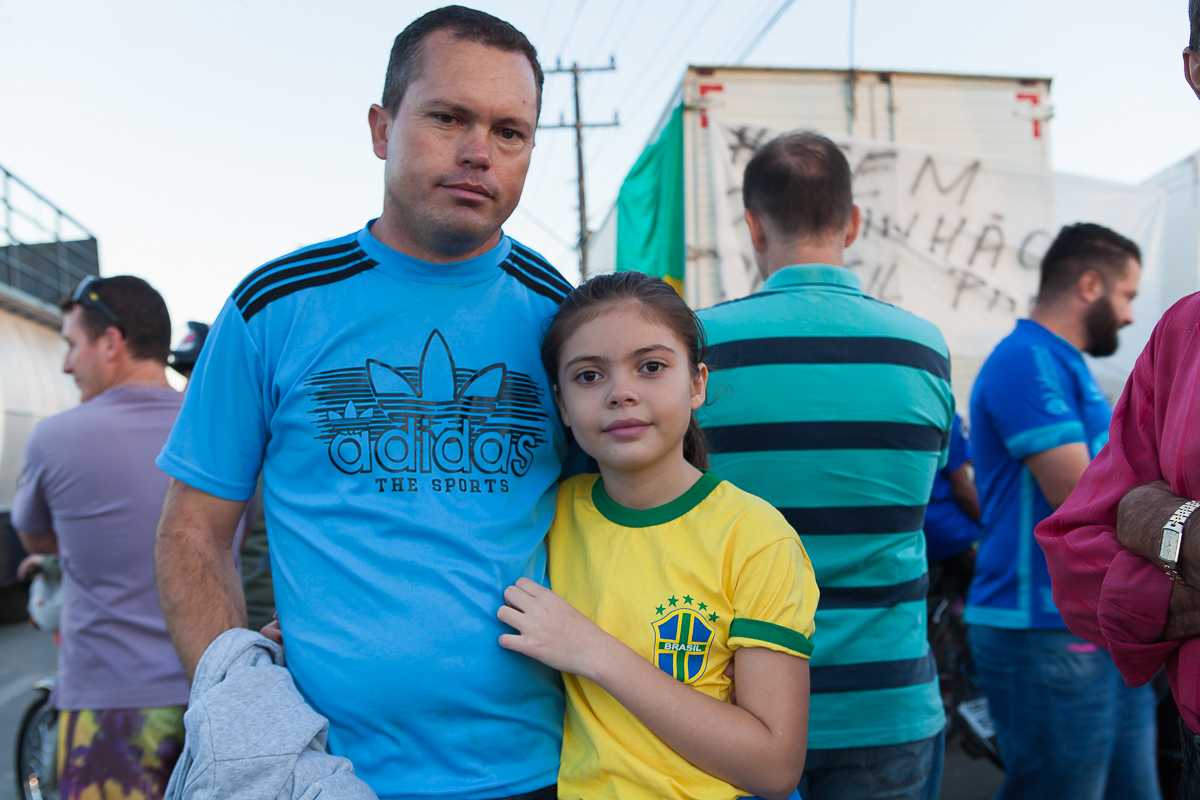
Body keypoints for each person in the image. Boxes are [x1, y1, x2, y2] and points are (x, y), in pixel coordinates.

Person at [153, 8, 574, 800]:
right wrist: (242, 701)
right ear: (382, 128)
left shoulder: (568, 319)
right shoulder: (273, 306)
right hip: (323, 775)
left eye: (511, 131)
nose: (480, 151)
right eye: (449, 116)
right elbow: (192, 532)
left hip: (543, 771)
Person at [697, 132, 952, 800]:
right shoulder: (922, 351)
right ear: (854, 223)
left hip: (735, 706)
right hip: (885, 700)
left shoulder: (697, 347)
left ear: (753, 226)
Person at [499, 272, 817, 800]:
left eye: (651, 367)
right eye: (588, 376)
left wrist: (593, 651)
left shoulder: (756, 538)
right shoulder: (548, 516)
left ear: (696, 384)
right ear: (560, 404)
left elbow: (775, 768)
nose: (621, 393)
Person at [1035, 5, 1200, 797]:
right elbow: (1078, 521)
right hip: (1052, 637)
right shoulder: (1177, 336)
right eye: (1127, 295)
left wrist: (1161, 519)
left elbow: (1121, 503)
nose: (1133, 314)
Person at [966, 222, 1156, 799]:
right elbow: (1083, 494)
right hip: (1042, 628)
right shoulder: (1028, 359)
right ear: (1091, 284)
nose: (1129, 316)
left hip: (1094, 626)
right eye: (1128, 296)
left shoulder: (1063, 362)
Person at [12, 275, 188, 800]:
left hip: (108, 706)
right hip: (212, 695)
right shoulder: (211, 428)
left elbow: (35, 539)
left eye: (71, 345)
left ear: (111, 342)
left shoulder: (55, 437)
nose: (66, 365)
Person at [923, 413, 981, 563]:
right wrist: (991, 525)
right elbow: (962, 489)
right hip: (950, 538)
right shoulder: (943, 412)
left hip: (902, 540)